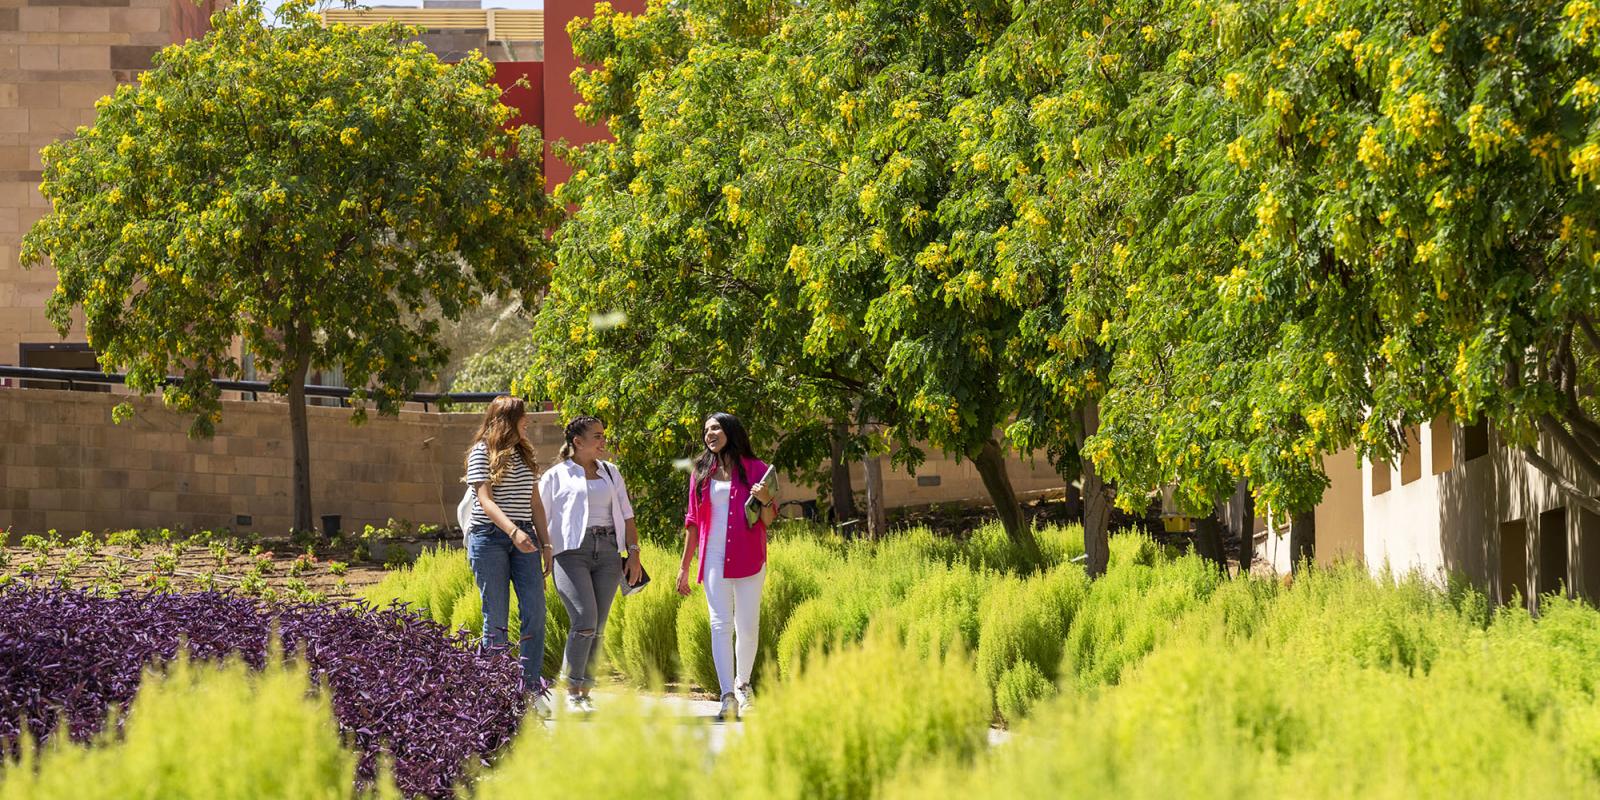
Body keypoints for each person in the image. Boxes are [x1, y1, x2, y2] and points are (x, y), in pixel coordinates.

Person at [676, 412, 778, 722]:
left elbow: (769, 520)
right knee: (720, 625)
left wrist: (763, 499)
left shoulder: (758, 469)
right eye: (706, 429)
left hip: (749, 558)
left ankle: (744, 685)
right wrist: (683, 567)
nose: (709, 434)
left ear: (731, 431)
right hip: (713, 560)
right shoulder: (700, 471)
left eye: (716, 427)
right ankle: (727, 696)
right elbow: (692, 523)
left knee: (746, 628)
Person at [540, 416, 644, 714]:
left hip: (609, 551)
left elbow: (627, 514)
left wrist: (633, 552)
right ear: (577, 441)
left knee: (597, 625)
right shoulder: (555, 476)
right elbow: (541, 519)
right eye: (597, 436)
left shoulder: (611, 472)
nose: (603, 441)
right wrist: (542, 557)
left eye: (603, 435)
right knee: (584, 618)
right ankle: (572, 689)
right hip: (571, 552)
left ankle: (584, 692)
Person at [463, 396, 555, 716]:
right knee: (497, 618)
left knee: (535, 611)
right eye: (523, 417)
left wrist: (546, 545)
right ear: (507, 419)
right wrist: (513, 533)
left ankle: (529, 689)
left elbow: (536, 505)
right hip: (489, 539)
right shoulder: (480, 452)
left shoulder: (525, 454)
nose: (527, 421)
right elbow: (485, 501)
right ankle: (496, 691)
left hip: (525, 538)